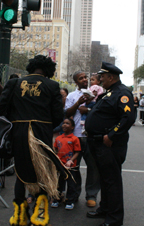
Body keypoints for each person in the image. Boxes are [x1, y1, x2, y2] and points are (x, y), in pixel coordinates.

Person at [0, 55, 70, 226]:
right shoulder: (52, 85)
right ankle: (40, 216)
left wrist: (16, 121)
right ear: (48, 70)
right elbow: (58, 116)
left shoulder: (14, 83)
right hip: (41, 135)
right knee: (43, 174)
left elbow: (1, 110)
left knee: (21, 174)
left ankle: (19, 216)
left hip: (18, 134)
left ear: (31, 67)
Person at [85, 61, 135, 226]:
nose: (100, 79)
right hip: (98, 142)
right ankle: (105, 209)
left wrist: (112, 135)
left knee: (112, 182)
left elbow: (127, 118)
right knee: (105, 180)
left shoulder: (122, 93)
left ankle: (114, 219)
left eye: (103, 77)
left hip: (109, 145)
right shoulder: (109, 93)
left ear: (111, 77)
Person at [65, 71, 100, 208]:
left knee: (93, 167)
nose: (85, 79)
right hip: (76, 137)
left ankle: (91, 195)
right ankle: (73, 195)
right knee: (73, 167)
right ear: (76, 82)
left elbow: (99, 112)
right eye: (81, 78)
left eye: (86, 77)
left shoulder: (96, 94)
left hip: (90, 136)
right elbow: (67, 113)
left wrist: (89, 109)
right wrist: (78, 104)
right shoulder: (72, 96)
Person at [51, 118, 81, 210]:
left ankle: (70, 201)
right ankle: (57, 199)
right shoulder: (59, 138)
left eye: (67, 123)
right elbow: (55, 149)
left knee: (71, 184)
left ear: (72, 127)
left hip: (70, 167)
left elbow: (77, 152)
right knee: (59, 183)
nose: (64, 125)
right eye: (63, 123)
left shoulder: (74, 139)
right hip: (60, 165)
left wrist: (71, 160)